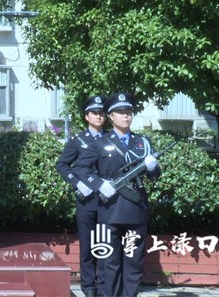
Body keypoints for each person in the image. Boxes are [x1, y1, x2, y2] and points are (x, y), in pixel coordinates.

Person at [73, 92, 162, 297]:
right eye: (120, 112)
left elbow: (155, 175)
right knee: (109, 264)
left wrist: (152, 167)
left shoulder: (143, 143)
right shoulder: (100, 143)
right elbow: (80, 169)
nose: (125, 116)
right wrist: (99, 184)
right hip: (108, 213)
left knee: (133, 263)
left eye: (128, 111)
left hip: (135, 213)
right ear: (110, 116)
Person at [55, 95, 107, 297]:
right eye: (95, 113)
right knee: (87, 245)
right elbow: (62, 164)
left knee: (104, 245)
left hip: (106, 200)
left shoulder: (110, 138)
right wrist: (77, 183)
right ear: (87, 116)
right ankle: (88, 287)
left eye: (101, 113)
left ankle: (103, 286)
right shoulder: (78, 141)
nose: (99, 116)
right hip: (87, 200)